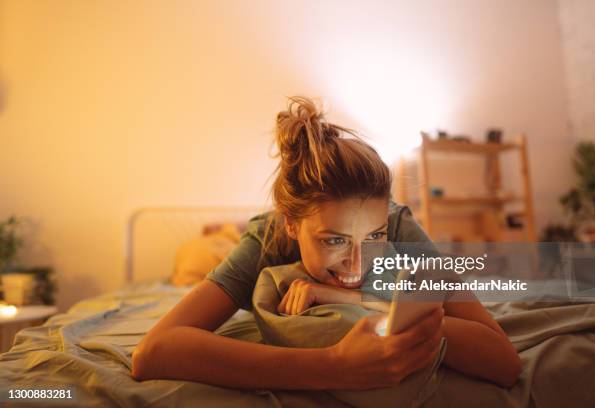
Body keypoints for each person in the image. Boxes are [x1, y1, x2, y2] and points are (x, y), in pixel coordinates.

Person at [131, 96, 521, 390]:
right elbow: (152, 353)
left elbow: (503, 360)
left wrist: (350, 300)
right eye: (334, 240)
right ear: (290, 224)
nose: (356, 264)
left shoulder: (399, 225)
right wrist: (334, 366)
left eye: (374, 238)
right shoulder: (264, 240)